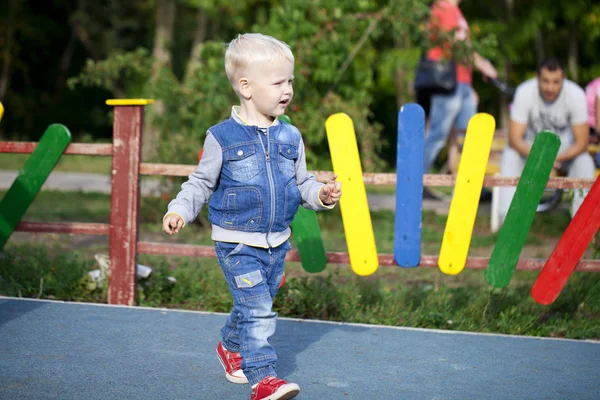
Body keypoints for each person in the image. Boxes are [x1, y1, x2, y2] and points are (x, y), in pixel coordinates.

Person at [161, 33, 342, 400]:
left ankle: (230, 346)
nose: (287, 89)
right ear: (246, 86)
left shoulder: (291, 136)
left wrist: (321, 194)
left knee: (255, 303)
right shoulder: (222, 137)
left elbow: (301, 184)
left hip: (277, 241)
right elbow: (200, 183)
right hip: (236, 241)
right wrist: (180, 208)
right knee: (258, 309)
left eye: (289, 80)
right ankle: (263, 379)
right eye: (278, 82)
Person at [498, 58, 595, 225]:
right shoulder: (524, 91)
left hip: (564, 152)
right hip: (530, 149)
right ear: (538, 78)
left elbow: (582, 142)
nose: (550, 87)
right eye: (546, 81)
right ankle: (506, 221)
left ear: (563, 79)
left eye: (556, 82)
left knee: (584, 161)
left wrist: (557, 159)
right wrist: (541, 159)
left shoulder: (576, 94)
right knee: (510, 155)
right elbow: (514, 139)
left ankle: (582, 225)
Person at [422, 0, 498, 185]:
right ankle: (414, 183)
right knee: (437, 135)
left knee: (468, 139)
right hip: (448, 83)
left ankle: (472, 187)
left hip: (461, 83)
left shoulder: (456, 11)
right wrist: (483, 65)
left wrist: (468, 87)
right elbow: (456, 47)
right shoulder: (443, 8)